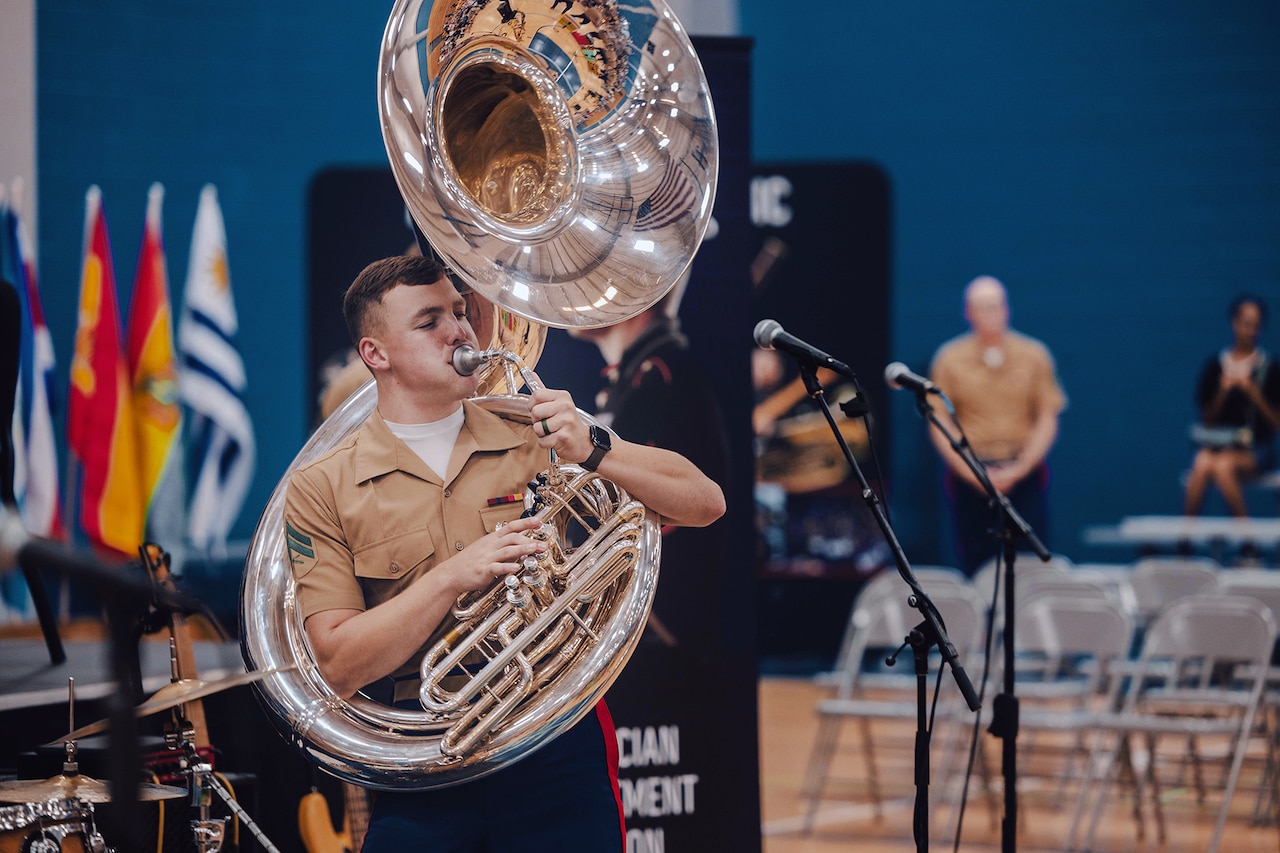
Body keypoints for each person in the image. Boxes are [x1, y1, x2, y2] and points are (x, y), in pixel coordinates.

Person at [283, 255, 725, 852]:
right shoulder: (320, 485)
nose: (461, 330)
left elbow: (705, 502)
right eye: (429, 321)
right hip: (423, 757)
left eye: (461, 313)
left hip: (555, 741)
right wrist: (450, 578)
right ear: (376, 355)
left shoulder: (535, 431)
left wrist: (594, 449)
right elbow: (336, 664)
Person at [928, 275, 1067, 574]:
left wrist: (1020, 468)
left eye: (996, 305)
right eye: (982, 307)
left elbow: (1047, 417)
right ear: (968, 312)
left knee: (1029, 561)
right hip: (972, 476)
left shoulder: (1034, 356)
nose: (991, 313)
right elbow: (939, 421)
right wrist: (972, 473)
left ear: (1007, 309)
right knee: (978, 562)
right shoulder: (949, 360)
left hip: (1023, 473)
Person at [1183, 294, 1280, 519]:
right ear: (1234, 323)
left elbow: (1276, 424)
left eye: (1255, 325)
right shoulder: (1215, 367)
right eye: (1246, 324)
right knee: (1202, 461)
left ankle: (1247, 541)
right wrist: (1223, 391)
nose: (1250, 331)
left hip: (1257, 450)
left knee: (1223, 466)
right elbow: (1205, 419)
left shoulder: (1270, 369)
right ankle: (1185, 541)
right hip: (1221, 444)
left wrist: (1253, 393)